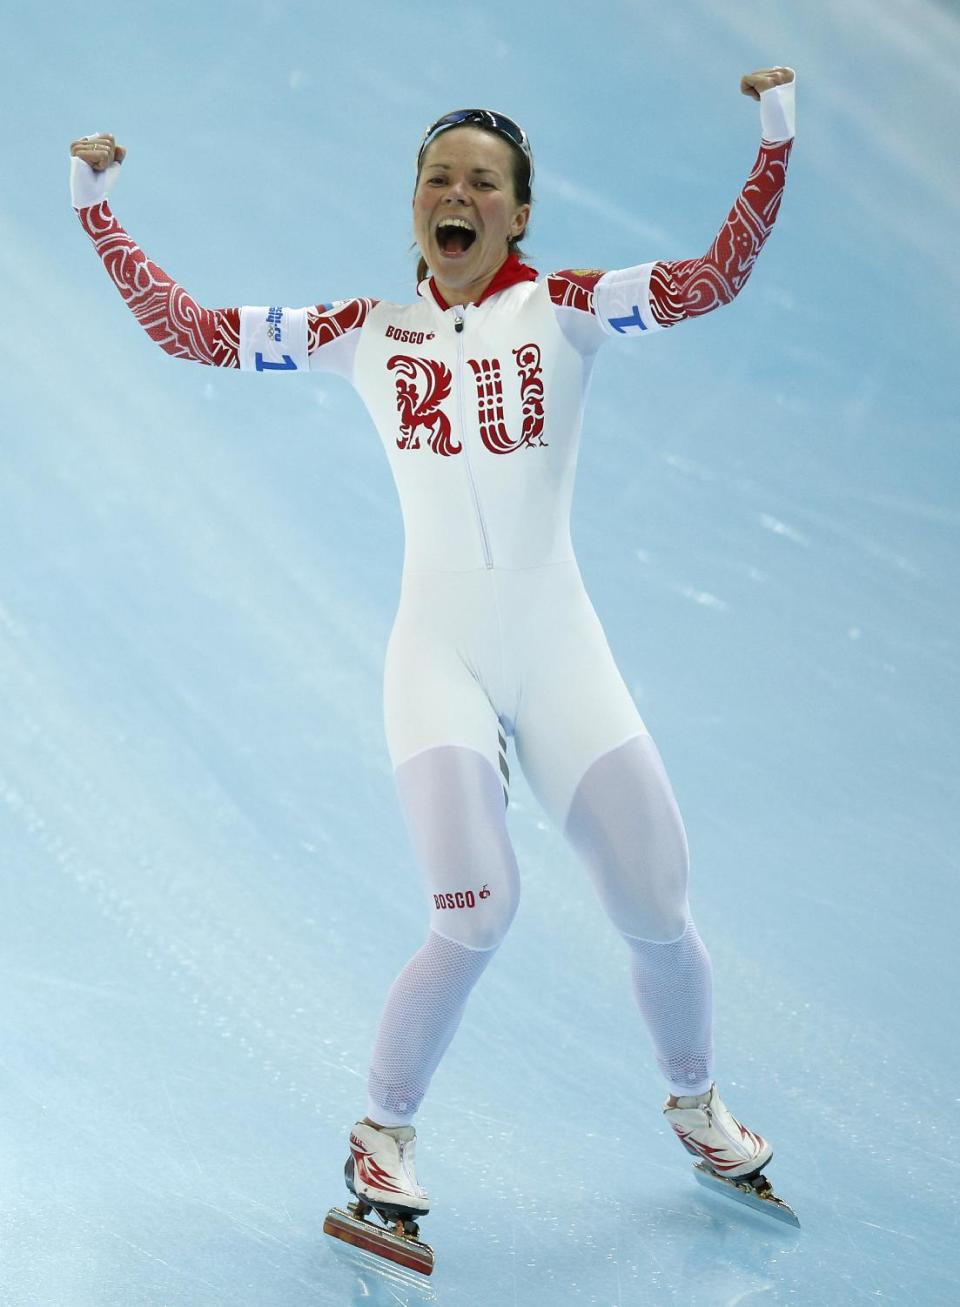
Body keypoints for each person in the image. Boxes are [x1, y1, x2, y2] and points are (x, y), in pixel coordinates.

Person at [69, 66, 796, 1228]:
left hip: (560, 650)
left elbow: (712, 279)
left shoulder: (563, 306)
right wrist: (96, 212)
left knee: (660, 900)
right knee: (475, 904)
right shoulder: (367, 332)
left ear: (517, 212)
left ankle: (697, 1105)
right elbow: (192, 331)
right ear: (416, 203)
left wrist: (774, 140)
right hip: (438, 657)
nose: (455, 194)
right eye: (436, 177)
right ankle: (381, 1133)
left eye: (483, 181)